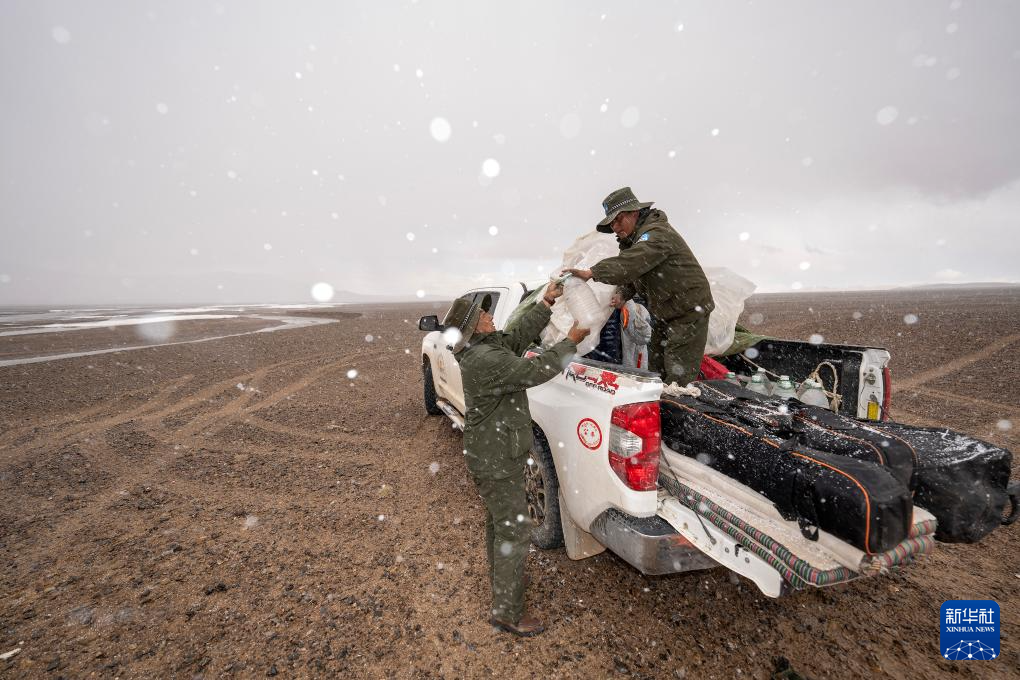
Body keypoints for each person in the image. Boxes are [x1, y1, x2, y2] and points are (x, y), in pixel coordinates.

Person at [443, 281, 590, 637]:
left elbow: (517, 336)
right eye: (483, 314)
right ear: (472, 328)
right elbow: (535, 371)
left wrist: (546, 303)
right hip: (495, 458)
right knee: (514, 528)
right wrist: (571, 340)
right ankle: (507, 612)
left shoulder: (486, 347)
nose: (490, 316)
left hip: (491, 452)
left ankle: (502, 589)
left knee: (500, 523)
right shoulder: (486, 360)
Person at [567, 186, 714, 385]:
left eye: (618, 220)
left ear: (634, 212)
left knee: (678, 376)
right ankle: (659, 405)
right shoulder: (632, 240)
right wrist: (623, 293)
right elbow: (636, 274)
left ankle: (675, 410)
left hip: (688, 310)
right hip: (665, 311)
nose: (615, 228)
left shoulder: (656, 234)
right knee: (656, 370)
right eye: (611, 224)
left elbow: (634, 263)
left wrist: (592, 272)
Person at [611, 287, 652, 369]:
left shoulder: (632, 308)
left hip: (627, 299)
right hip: (617, 301)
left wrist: (623, 296)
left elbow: (643, 338)